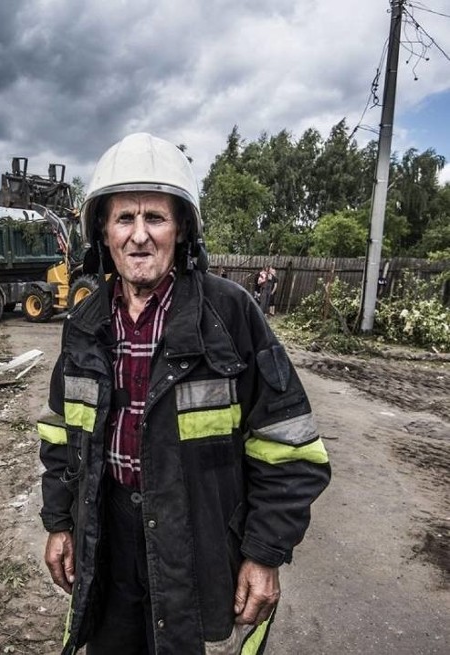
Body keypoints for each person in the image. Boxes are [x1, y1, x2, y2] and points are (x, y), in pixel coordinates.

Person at [36, 133, 330, 655]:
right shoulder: (84, 324)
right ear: (103, 233)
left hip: (199, 543)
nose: (139, 236)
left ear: (183, 230)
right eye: (124, 218)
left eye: (156, 218)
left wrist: (263, 555)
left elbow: (292, 450)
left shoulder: (232, 316)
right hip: (109, 538)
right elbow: (61, 437)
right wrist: (60, 522)